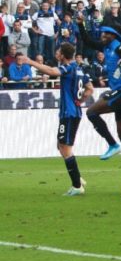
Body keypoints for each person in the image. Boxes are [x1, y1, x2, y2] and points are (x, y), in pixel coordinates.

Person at [30, 43, 92, 195]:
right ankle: (77, 177)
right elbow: (90, 88)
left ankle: (77, 186)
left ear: (63, 55)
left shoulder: (68, 67)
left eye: (58, 51)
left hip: (69, 113)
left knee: (65, 148)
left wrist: (30, 62)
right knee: (61, 145)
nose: (56, 53)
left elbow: (52, 71)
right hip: (72, 112)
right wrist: (81, 101)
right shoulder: (79, 68)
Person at [79, 25, 121, 162]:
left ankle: (112, 144)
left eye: (105, 35)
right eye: (102, 35)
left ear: (112, 35)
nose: (102, 37)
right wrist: (80, 24)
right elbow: (88, 41)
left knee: (91, 112)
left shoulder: (118, 46)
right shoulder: (106, 47)